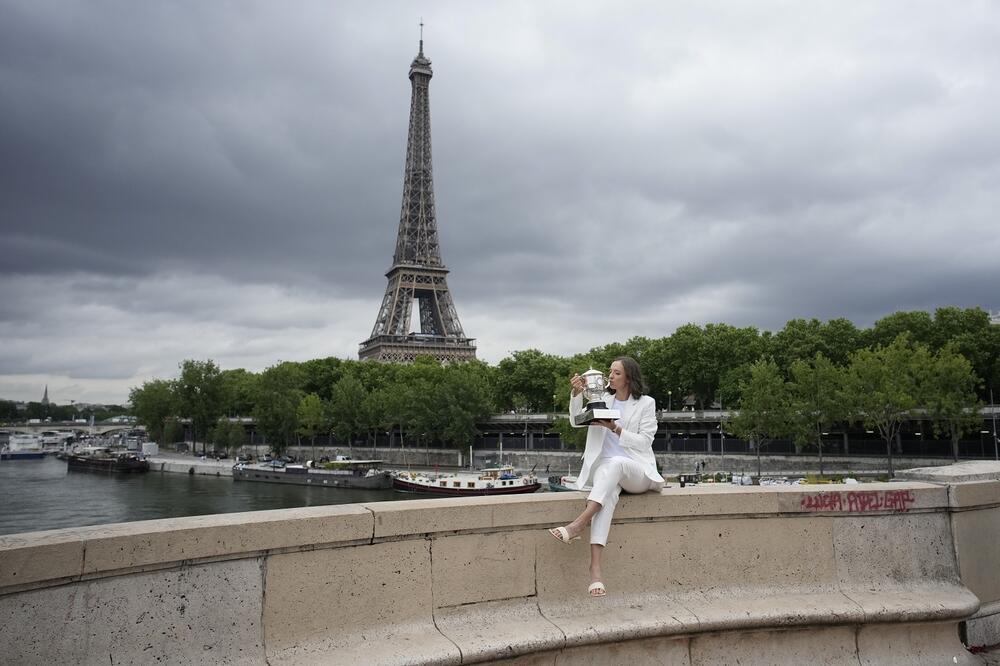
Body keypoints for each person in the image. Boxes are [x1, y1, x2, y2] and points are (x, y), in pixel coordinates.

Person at [547, 356, 665, 597]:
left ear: (629, 377)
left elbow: (645, 442)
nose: (610, 376)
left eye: (616, 373)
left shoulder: (646, 403)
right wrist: (576, 394)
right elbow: (576, 422)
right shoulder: (602, 400)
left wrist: (614, 427)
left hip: (636, 470)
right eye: (610, 372)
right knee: (607, 495)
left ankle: (579, 523)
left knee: (617, 464)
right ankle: (595, 572)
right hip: (606, 469)